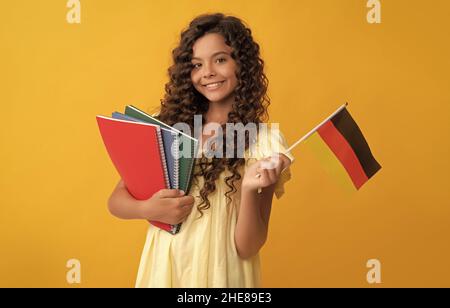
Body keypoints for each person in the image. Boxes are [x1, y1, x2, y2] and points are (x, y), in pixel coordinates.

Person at [107, 13, 294, 288]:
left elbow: (248, 247)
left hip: (223, 273)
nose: (207, 72)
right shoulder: (166, 125)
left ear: (242, 64)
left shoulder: (261, 141)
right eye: (196, 64)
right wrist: (149, 208)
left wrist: (249, 190)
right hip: (165, 268)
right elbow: (116, 201)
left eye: (220, 59)